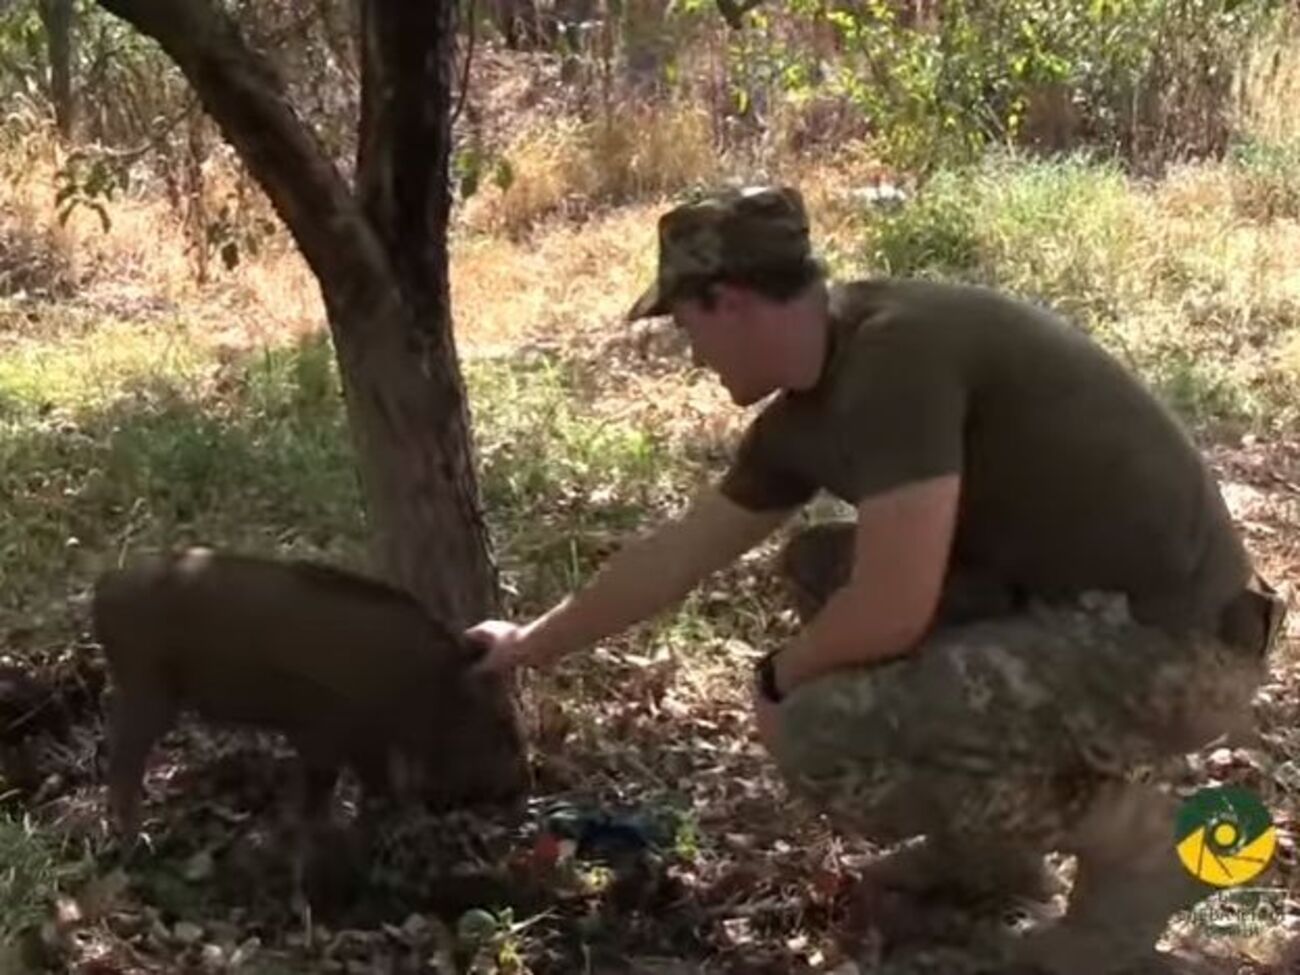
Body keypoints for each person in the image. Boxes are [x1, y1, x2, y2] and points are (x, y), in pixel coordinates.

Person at [464, 185, 1286, 973]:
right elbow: (679, 553)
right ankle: (993, 856)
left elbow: (895, 606)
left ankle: (1147, 842)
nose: (692, 353)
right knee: (822, 566)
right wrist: (530, 643)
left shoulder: (897, 356)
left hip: (1182, 649)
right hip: (1093, 617)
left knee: (826, 730)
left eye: (687, 326)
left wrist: (779, 680)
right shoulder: (809, 409)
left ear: (730, 301)